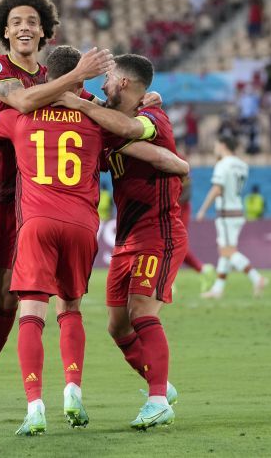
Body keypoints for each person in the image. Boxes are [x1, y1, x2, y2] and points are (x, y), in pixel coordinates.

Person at [0, 46, 184, 434]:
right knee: (74, 310)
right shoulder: (98, 121)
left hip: (38, 223)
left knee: (31, 313)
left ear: (44, 76)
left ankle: (35, 405)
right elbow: (132, 138)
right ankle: (73, 389)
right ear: (82, 77)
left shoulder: (19, 114)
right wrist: (179, 162)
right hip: (82, 225)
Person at [0, 0, 117, 427]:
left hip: (29, 202)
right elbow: (22, 101)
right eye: (17, 21)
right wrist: (76, 75)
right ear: (4, 30)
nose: (25, 27)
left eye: (33, 22)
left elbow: (90, 107)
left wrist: (141, 102)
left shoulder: (50, 78)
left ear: (45, 32)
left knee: (9, 298)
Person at [56, 54, 189, 429]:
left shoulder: (152, 119)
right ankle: (158, 382)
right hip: (127, 237)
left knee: (142, 313)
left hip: (158, 232)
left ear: (126, 84)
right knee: (117, 326)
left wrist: (81, 103)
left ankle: (159, 399)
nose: (103, 86)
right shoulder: (114, 125)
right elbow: (109, 126)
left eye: (109, 79)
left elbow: (131, 131)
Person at [197, 135, 268, 299]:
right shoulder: (242, 165)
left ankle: (257, 278)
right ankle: (218, 289)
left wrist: (202, 209)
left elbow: (217, 189)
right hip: (237, 211)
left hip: (226, 213)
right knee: (225, 253)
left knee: (227, 251)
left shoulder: (223, 164)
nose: (215, 148)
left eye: (216, 145)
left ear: (222, 145)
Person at [178, 173, 214, 289]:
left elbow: (187, 194)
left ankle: (166, 282)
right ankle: (203, 269)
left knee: (176, 244)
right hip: (169, 208)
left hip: (179, 209)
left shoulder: (179, 160)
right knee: (170, 245)